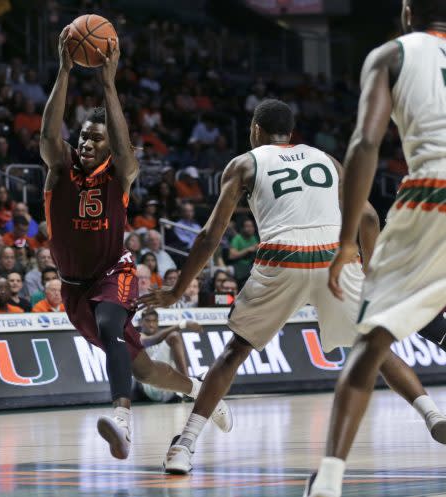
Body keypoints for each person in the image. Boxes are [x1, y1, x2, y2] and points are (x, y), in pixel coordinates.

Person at [138, 99, 446, 476]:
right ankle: (432, 416)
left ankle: (184, 446)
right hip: (337, 258)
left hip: (284, 258)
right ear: (291, 133)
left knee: (235, 351)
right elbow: (366, 215)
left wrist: (176, 290)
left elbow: (208, 236)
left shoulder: (245, 163)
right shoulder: (325, 160)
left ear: (255, 130)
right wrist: (367, 269)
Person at [40, 27, 231, 460]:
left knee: (111, 324)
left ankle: (122, 421)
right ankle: (201, 392)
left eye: (96, 139)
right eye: (84, 137)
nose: (87, 143)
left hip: (114, 271)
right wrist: (64, 71)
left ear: (110, 149)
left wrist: (108, 82)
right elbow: (50, 135)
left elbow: (125, 145)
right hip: (73, 287)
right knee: (141, 365)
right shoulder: (59, 168)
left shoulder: (119, 173)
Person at [307, 4, 446, 496]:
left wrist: (346, 244)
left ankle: (328, 479)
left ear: (408, 10)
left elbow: (365, 143)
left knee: (370, 344)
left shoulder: (393, 53)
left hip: (433, 196)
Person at [137, 309, 194, 402]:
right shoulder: (138, 336)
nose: (151, 324)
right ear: (141, 322)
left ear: (158, 322)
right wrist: (181, 325)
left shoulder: (164, 338)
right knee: (174, 336)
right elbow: (151, 340)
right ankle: (189, 387)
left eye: (154, 321)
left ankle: (183, 390)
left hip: (168, 384)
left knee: (175, 343)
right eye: (147, 321)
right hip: (151, 385)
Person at [228, 218, 259, 286]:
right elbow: (232, 256)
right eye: (247, 226)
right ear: (242, 228)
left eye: (251, 226)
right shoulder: (237, 238)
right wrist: (247, 250)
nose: (250, 228)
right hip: (239, 266)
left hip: (252, 266)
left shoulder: (254, 238)